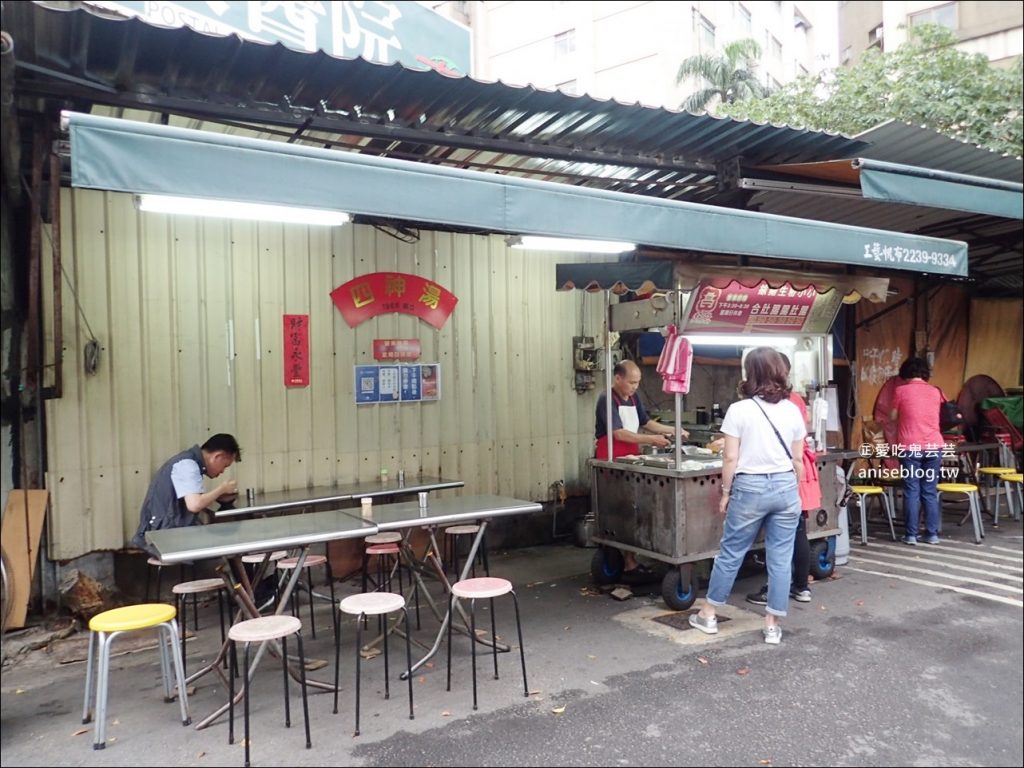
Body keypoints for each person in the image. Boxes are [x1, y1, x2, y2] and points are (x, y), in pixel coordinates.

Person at [688, 347, 805, 645]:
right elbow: (798, 459)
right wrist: (793, 488)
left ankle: (709, 614)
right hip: (785, 488)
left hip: (750, 488)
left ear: (750, 373)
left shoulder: (739, 410)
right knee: (780, 557)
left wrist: (726, 493)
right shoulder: (792, 409)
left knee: (731, 552)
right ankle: (772, 625)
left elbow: (730, 459)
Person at [595, 359, 687, 578]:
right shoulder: (607, 399)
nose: (635, 386)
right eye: (631, 382)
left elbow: (646, 421)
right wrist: (652, 440)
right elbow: (618, 433)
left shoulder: (633, 397)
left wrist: (673, 429)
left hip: (632, 455)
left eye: (637, 382)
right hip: (613, 456)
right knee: (622, 508)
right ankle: (628, 561)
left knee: (635, 506)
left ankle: (632, 559)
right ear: (618, 378)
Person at [745, 353, 821, 606]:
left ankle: (775, 590)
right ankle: (801, 587)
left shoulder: (780, 402)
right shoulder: (796, 400)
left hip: (785, 473)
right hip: (798, 470)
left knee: (782, 537)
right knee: (797, 531)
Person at [131, 433, 241, 555]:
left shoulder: (188, 461)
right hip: (162, 537)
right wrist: (222, 489)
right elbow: (194, 505)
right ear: (217, 456)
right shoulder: (188, 465)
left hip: (165, 531)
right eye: (225, 466)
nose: (222, 471)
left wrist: (218, 495)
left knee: (225, 544)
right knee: (226, 548)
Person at [890, 356, 945, 545]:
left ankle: (911, 535)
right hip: (933, 446)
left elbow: (892, 416)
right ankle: (932, 534)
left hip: (910, 446)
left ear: (905, 373)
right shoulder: (935, 392)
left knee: (912, 490)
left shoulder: (900, 391)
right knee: (929, 490)